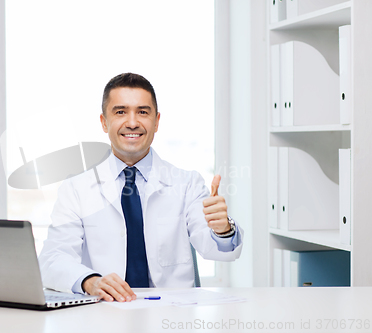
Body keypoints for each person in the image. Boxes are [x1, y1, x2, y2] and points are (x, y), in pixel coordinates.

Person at [39, 73, 243, 302]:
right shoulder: (76, 188)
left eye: (143, 112)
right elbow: (52, 259)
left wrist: (223, 229)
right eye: (120, 112)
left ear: (156, 122)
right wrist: (91, 281)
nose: (133, 122)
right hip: (104, 313)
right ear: (104, 122)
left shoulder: (187, 184)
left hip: (172, 316)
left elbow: (219, 251)